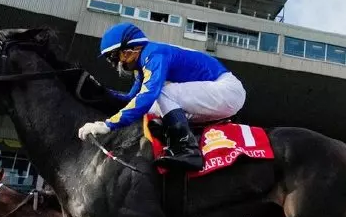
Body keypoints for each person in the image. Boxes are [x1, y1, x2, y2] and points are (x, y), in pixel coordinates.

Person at [76, 21, 247, 171]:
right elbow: (130, 100)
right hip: (216, 93)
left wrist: (108, 125)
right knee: (152, 107)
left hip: (227, 90)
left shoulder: (153, 54)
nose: (115, 64)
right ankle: (176, 142)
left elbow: (148, 95)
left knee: (161, 93)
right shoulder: (144, 63)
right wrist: (101, 91)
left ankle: (188, 151)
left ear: (130, 49)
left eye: (114, 57)